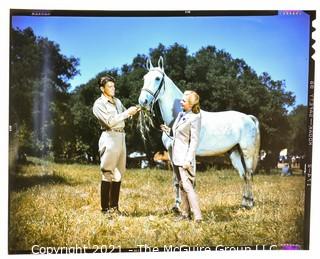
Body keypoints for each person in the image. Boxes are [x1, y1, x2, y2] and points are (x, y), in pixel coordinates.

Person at [93, 75, 139, 214]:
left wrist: (135, 112)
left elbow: (127, 115)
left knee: (118, 173)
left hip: (121, 136)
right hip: (109, 135)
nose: (113, 89)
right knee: (107, 172)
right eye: (109, 87)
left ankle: (114, 207)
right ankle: (105, 209)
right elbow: (110, 121)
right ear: (102, 89)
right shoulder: (99, 104)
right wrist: (127, 113)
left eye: (114, 86)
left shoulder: (117, 101)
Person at [160, 90, 202, 223]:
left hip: (184, 158)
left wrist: (188, 160)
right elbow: (175, 134)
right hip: (176, 157)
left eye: (184, 101)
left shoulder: (195, 118)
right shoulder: (180, 115)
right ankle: (185, 214)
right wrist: (168, 130)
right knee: (181, 185)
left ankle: (198, 216)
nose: (181, 102)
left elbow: (194, 141)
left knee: (188, 186)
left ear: (190, 104)